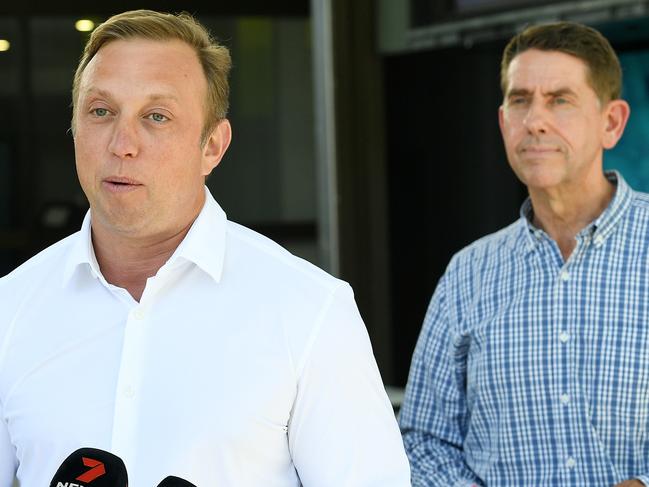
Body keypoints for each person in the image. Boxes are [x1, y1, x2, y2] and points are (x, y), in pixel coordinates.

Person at [0, 10, 411, 487]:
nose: (122, 142)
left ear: (213, 146)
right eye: (101, 111)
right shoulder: (11, 310)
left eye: (157, 117)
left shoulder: (310, 311)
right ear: (73, 128)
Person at [399, 21, 649, 487]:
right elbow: (423, 441)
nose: (535, 120)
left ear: (611, 122)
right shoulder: (468, 273)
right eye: (520, 100)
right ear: (502, 122)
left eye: (560, 100)